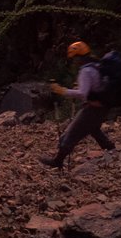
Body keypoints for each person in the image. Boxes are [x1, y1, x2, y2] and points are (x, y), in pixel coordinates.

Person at [40, 40, 116, 168]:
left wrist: (62, 91)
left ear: (79, 57)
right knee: (93, 128)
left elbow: (82, 94)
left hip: (92, 108)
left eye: (74, 59)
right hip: (103, 106)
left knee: (71, 133)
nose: (74, 62)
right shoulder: (96, 66)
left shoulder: (85, 71)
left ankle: (58, 161)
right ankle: (111, 149)